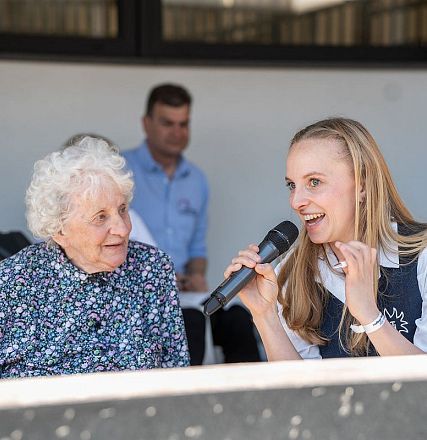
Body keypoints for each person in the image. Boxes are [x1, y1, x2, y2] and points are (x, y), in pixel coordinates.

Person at [225, 117, 427, 359]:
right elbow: (299, 393)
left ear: (362, 184)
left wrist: (369, 315)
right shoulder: (292, 271)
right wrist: (264, 316)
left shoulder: (421, 256)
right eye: (292, 185)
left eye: (314, 182)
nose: (296, 201)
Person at [0, 136, 189, 378]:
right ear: (59, 230)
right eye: (100, 217)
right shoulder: (11, 283)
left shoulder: (152, 269)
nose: (122, 229)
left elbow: (177, 374)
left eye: (122, 210)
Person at [124, 83, 261, 364]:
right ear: (146, 124)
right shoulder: (121, 171)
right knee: (190, 325)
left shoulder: (197, 180)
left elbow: (197, 249)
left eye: (183, 124)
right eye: (167, 123)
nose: (177, 133)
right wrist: (159, 279)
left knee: (238, 319)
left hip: (187, 292)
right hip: (138, 291)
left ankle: (253, 403)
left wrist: (197, 276)